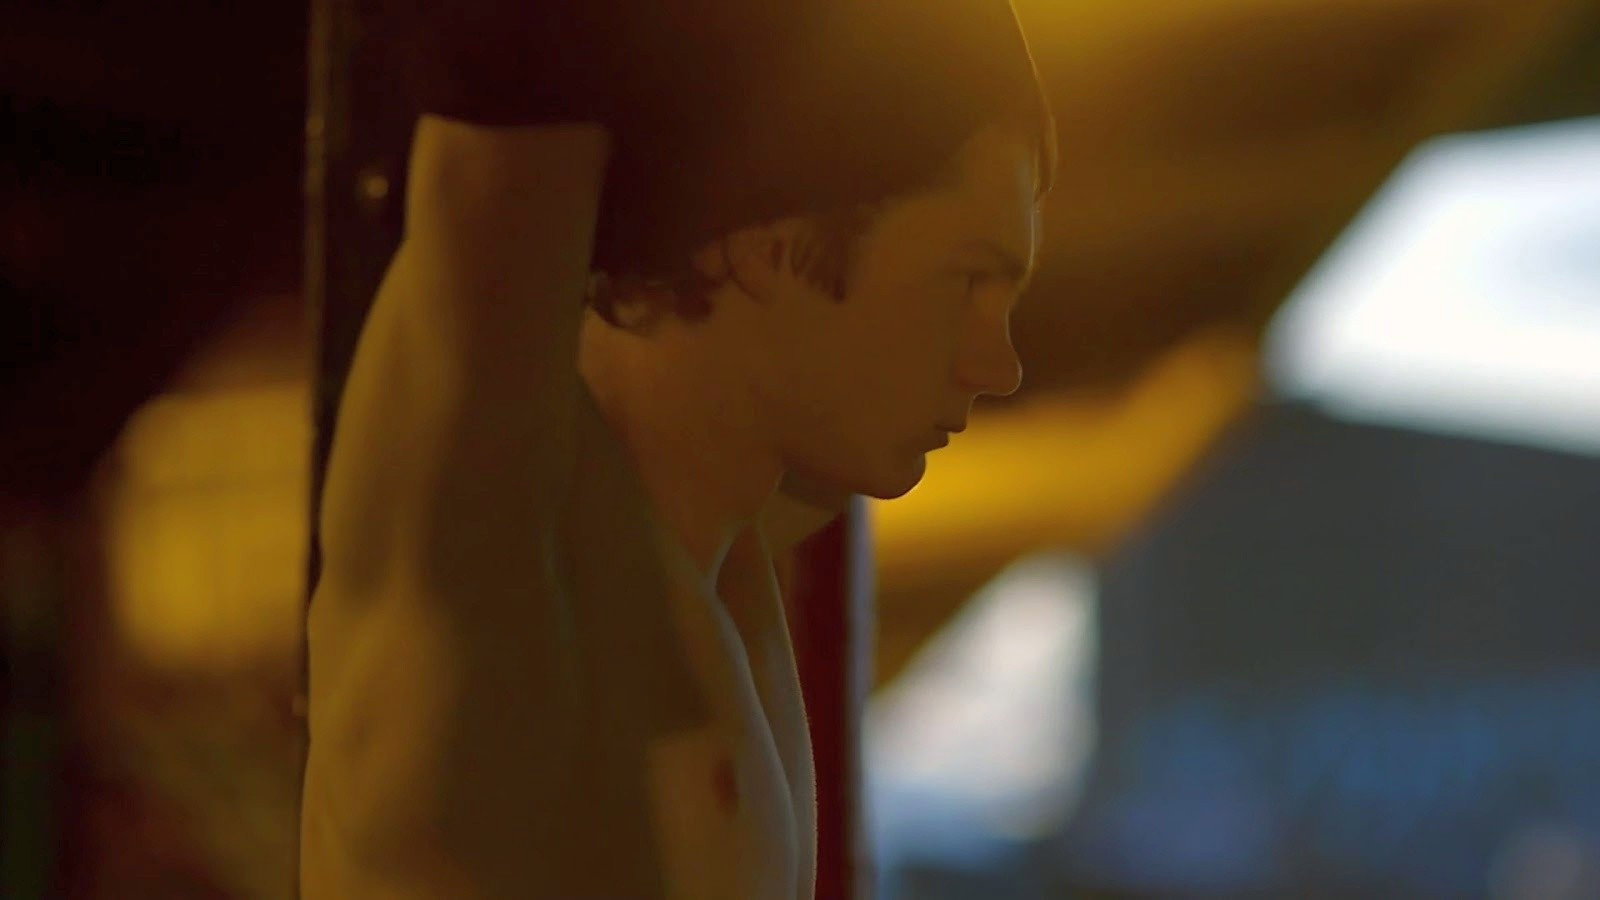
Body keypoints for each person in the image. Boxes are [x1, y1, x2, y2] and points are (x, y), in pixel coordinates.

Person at [298, 1, 1057, 896]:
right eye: (964, 282)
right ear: (772, 245)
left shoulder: (721, 557)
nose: (999, 365)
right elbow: (497, 147)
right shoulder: (506, 557)